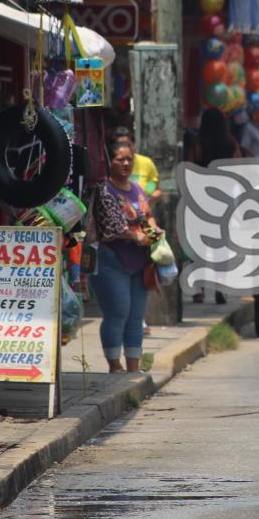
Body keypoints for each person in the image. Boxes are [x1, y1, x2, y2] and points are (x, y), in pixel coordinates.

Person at [90, 142, 160, 373]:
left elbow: (147, 214)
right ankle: (114, 365)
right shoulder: (105, 190)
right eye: (120, 159)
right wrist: (136, 236)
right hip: (112, 259)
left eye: (129, 159)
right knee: (118, 311)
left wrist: (154, 230)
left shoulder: (137, 189)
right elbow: (112, 227)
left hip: (139, 263)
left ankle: (133, 367)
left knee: (136, 316)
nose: (126, 164)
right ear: (110, 161)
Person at [110, 127, 162, 205]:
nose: (126, 164)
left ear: (133, 144)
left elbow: (155, 187)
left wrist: (148, 198)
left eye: (128, 144)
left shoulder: (146, 163)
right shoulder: (107, 188)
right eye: (121, 145)